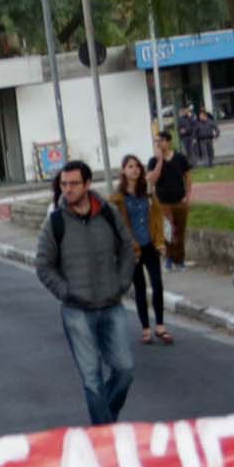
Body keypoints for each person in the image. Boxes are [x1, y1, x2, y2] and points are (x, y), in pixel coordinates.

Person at [35, 160, 140, 427]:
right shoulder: (55, 222)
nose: (67, 189)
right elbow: (43, 265)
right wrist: (65, 292)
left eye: (73, 184)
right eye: (63, 184)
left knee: (125, 370)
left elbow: (128, 248)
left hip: (111, 304)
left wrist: (122, 283)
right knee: (91, 379)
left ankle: (105, 422)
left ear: (87, 184)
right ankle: (105, 435)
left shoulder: (108, 213)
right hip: (76, 310)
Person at [116, 156, 171, 346]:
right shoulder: (118, 198)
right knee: (139, 288)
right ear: (123, 170)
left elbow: (157, 218)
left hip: (150, 246)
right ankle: (146, 329)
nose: (135, 169)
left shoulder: (147, 194)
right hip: (132, 250)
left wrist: (160, 241)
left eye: (137, 166)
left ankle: (161, 326)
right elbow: (117, 226)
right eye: (130, 166)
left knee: (157, 284)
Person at [151, 125, 194, 268]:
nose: (158, 144)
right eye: (156, 141)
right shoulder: (153, 161)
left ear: (168, 141)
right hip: (163, 202)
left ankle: (179, 260)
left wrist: (187, 196)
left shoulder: (180, 158)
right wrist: (159, 161)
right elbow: (152, 180)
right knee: (168, 232)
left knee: (179, 231)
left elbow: (187, 177)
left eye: (161, 140)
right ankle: (169, 260)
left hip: (179, 200)